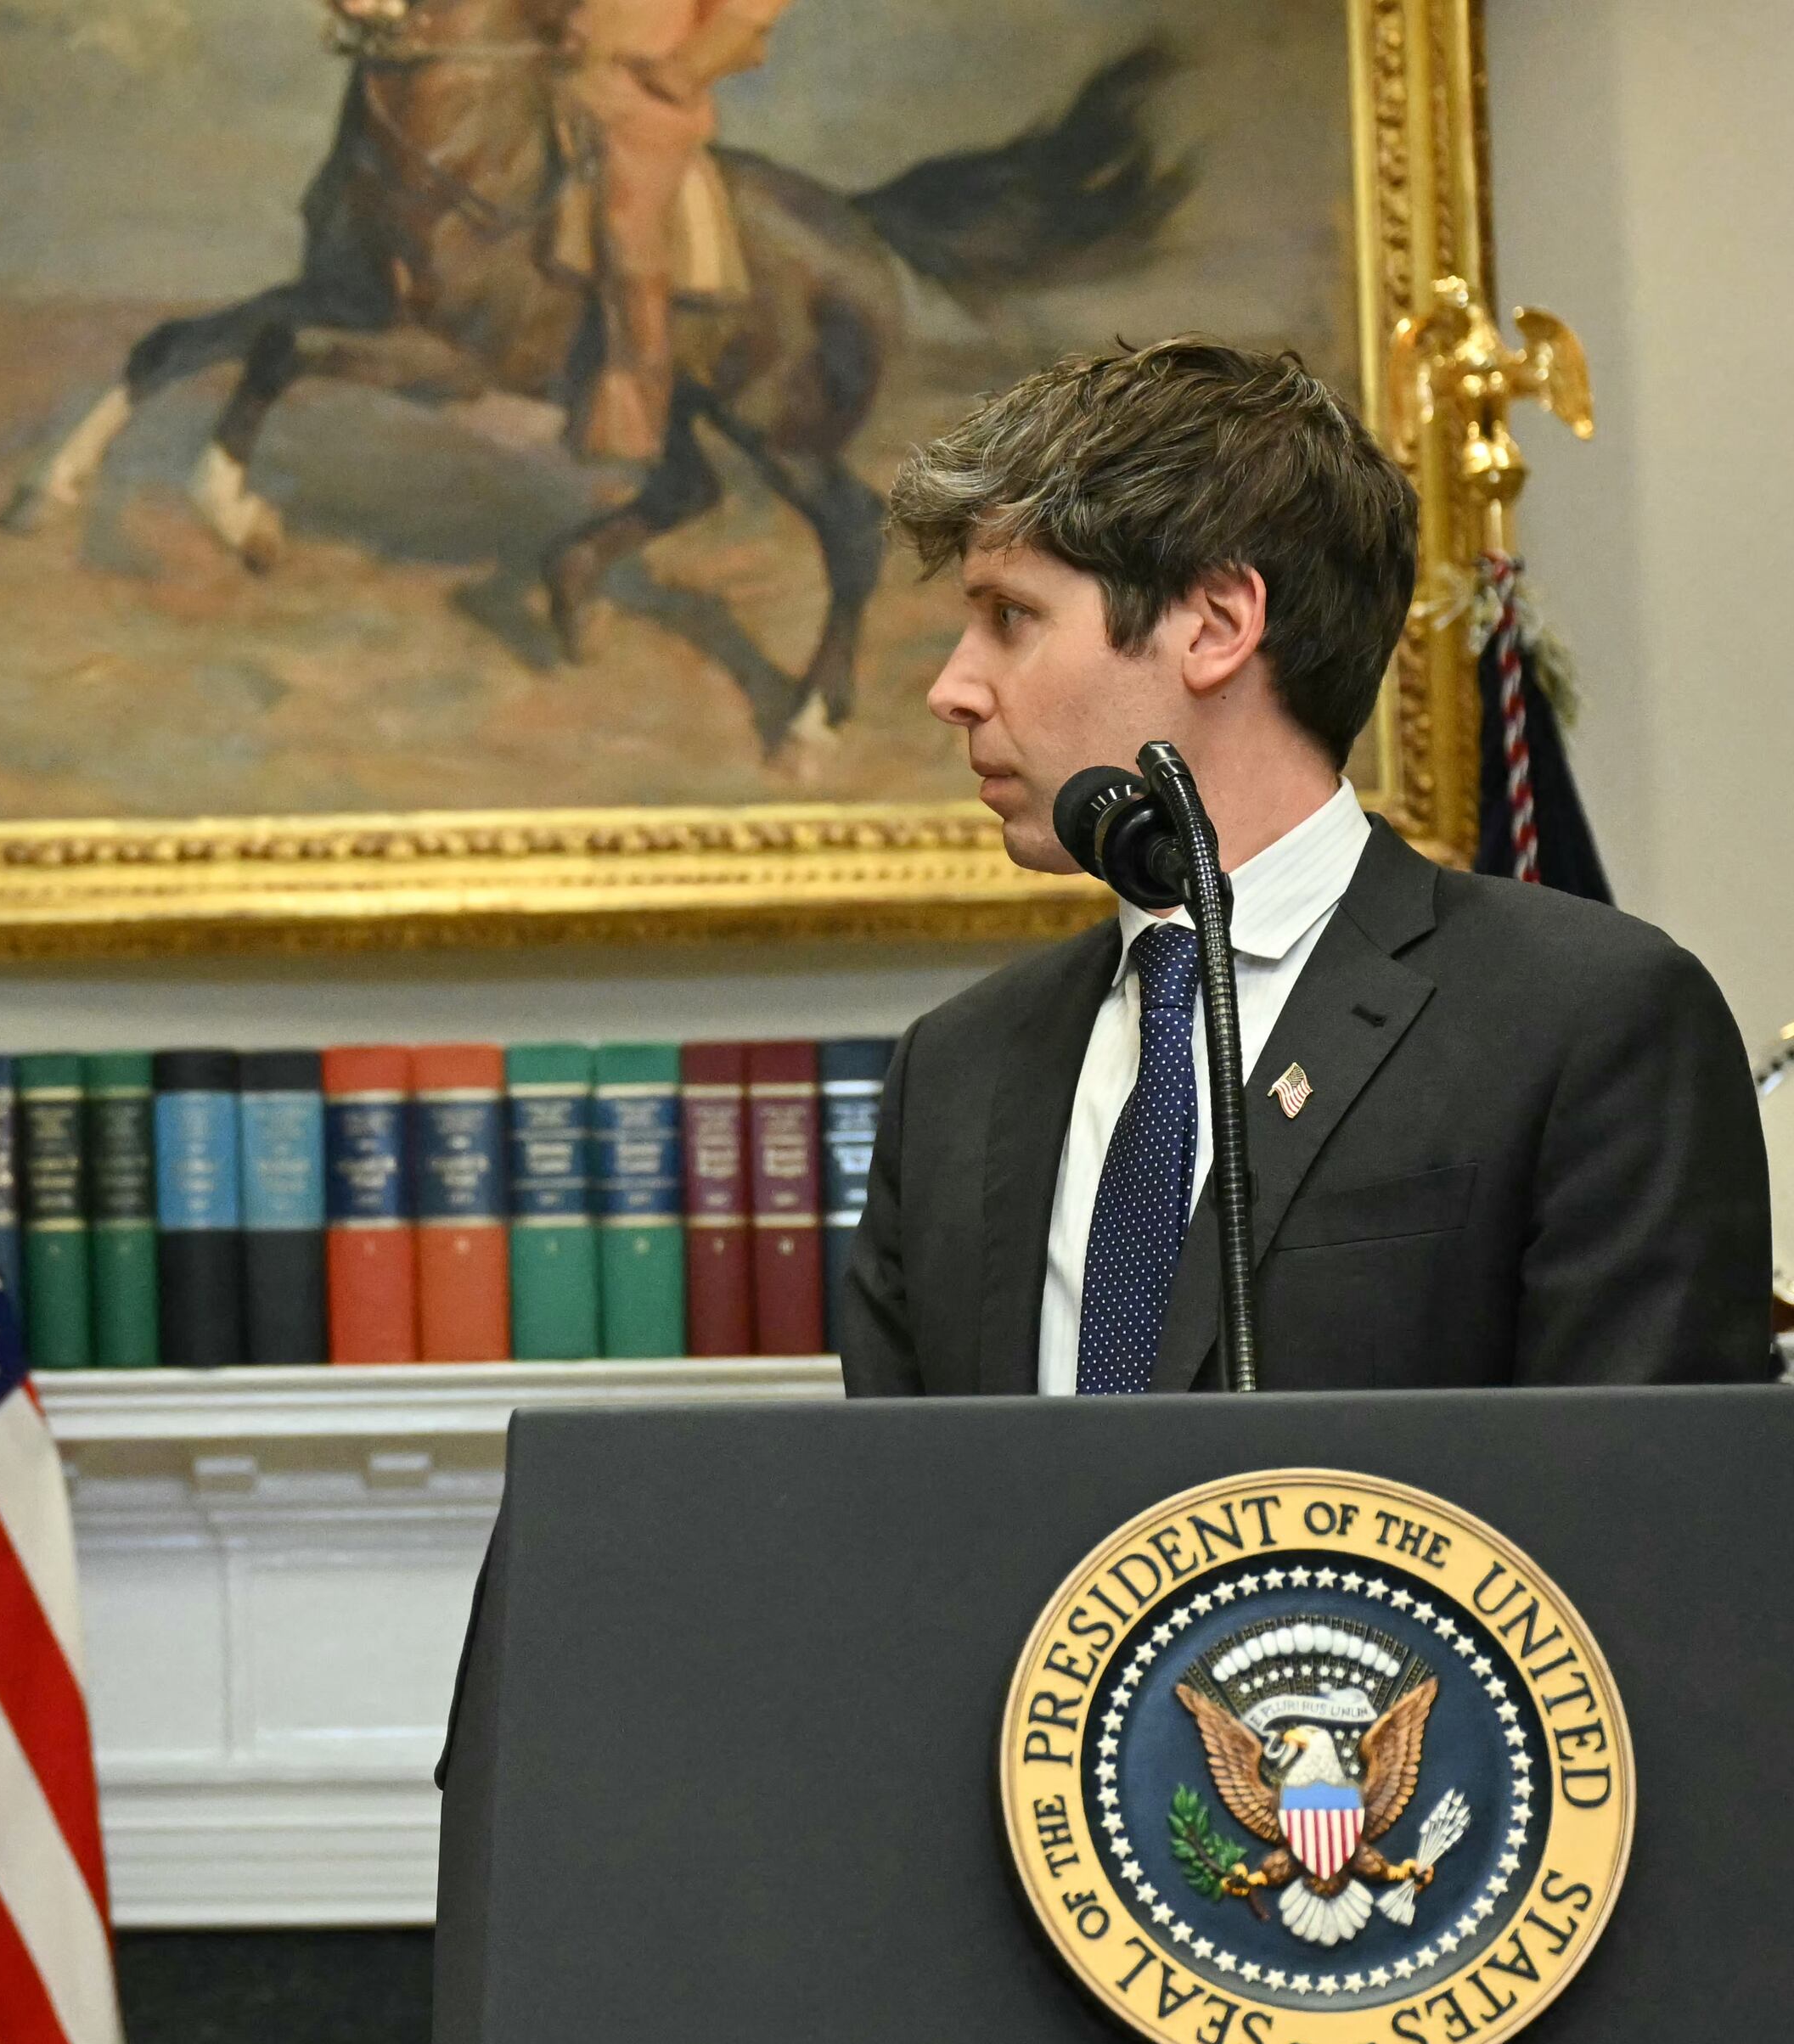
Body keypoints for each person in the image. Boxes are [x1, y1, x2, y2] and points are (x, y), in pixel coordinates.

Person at [835, 339, 1767, 1396]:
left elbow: (1643, 1512)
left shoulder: (1585, 1021)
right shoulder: (952, 1072)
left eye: (1009, 617)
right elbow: (894, 1525)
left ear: (1218, 625)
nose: (952, 688)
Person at [563, 0, 796, 463]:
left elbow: (747, 13)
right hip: (558, 77)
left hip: (642, 100)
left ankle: (634, 409)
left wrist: (685, 70)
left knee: (627, 227)